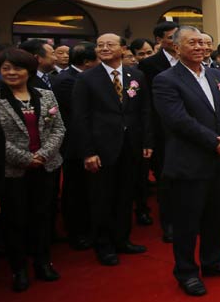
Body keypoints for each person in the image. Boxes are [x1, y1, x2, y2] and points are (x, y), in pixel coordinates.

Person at [153, 26, 220, 296]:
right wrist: (215, 141)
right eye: (192, 43)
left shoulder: (217, 74)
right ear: (177, 47)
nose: (200, 47)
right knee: (187, 221)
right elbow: (177, 120)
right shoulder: (165, 79)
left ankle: (213, 262)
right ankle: (186, 272)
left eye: (204, 42)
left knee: (218, 217)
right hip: (190, 161)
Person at [72, 33, 153, 265]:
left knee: (125, 195)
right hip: (101, 148)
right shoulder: (87, 79)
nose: (104, 48)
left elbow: (145, 111)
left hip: (131, 146)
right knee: (102, 197)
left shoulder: (135, 75)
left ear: (122, 48)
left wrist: (147, 142)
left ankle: (122, 239)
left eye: (110, 44)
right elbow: (81, 118)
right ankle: (103, 244)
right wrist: (87, 151)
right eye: (100, 45)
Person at [0, 48, 65, 291]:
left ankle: (43, 262)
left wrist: (42, 155)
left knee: (43, 217)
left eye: (17, 68)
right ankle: (18, 269)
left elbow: (59, 128)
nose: (11, 73)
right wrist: (24, 158)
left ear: (29, 70)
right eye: (6, 69)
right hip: (13, 171)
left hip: (46, 167)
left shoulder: (45, 95)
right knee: (15, 221)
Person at [51, 42, 99, 249]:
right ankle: (76, 231)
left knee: (89, 189)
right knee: (75, 191)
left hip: (91, 141)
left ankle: (89, 228)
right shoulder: (66, 81)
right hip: (74, 143)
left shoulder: (85, 76)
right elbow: (81, 113)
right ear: (88, 62)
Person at [138, 21, 179, 242]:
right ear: (159, 41)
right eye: (172, 37)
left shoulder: (194, 62)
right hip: (164, 131)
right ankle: (169, 224)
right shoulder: (149, 65)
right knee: (167, 179)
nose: (177, 41)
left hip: (195, 130)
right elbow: (148, 104)